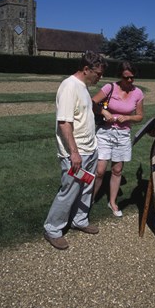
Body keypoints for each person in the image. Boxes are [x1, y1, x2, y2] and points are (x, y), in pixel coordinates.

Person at [44, 51, 107, 250]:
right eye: (98, 73)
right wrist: (74, 152)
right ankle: (52, 229)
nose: (100, 77)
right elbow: (64, 123)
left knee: (86, 186)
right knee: (70, 189)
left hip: (90, 149)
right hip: (76, 153)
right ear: (86, 69)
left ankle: (80, 219)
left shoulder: (84, 88)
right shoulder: (69, 86)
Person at [92, 61, 144, 217]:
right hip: (105, 132)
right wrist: (104, 112)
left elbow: (140, 116)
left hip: (122, 135)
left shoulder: (138, 93)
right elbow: (92, 103)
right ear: (120, 76)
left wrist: (128, 117)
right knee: (100, 170)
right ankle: (90, 198)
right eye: (126, 77)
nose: (129, 81)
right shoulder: (110, 88)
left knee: (117, 170)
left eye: (132, 78)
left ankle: (112, 202)